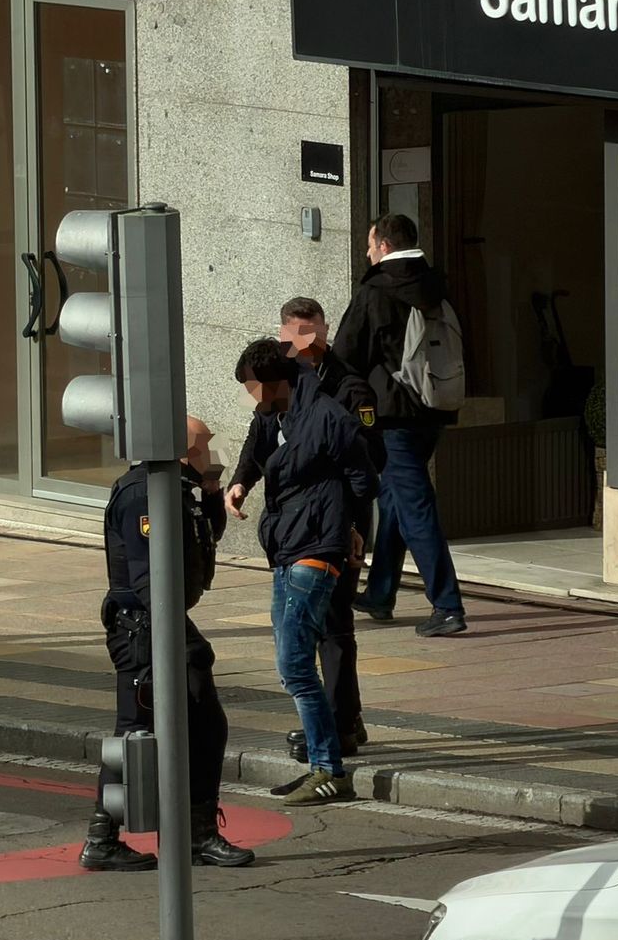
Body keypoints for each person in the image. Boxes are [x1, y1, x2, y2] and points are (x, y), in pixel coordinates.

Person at [80, 415, 255, 871]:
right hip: (142, 628)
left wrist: (213, 492)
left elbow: (206, 537)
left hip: (162, 621)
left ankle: (198, 834)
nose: (208, 456)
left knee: (205, 721)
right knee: (134, 729)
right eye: (202, 449)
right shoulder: (144, 493)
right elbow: (147, 581)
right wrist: (172, 642)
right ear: (181, 450)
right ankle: (102, 837)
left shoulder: (177, 489)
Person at [228, 297, 384, 777]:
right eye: (293, 331)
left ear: (323, 330)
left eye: (309, 331)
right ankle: (336, 728)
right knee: (304, 642)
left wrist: (356, 530)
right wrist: (240, 481)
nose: (301, 340)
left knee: (331, 629)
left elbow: (366, 463)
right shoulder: (277, 390)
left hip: (328, 531)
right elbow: (261, 440)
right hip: (292, 533)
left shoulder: (345, 389)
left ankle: (338, 728)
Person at [332, 212, 468, 637]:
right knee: (393, 497)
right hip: (434, 408)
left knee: (414, 507)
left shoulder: (377, 290)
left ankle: (447, 606)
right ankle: (381, 592)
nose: (368, 252)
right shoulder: (435, 283)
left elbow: (346, 354)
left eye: (370, 244)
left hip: (393, 416)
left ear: (384, 246)